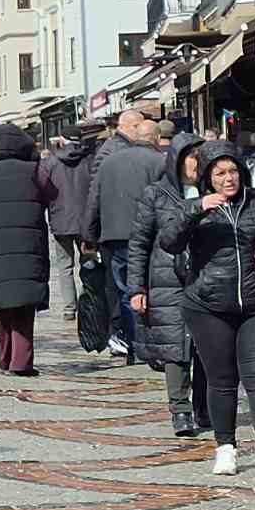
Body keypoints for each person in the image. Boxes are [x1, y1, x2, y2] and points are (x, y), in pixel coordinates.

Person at [159, 141, 255, 479]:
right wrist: (197, 210)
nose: (228, 178)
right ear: (207, 177)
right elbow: (169, 241)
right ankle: (225, 448)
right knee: (221, 381)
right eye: (220, 173)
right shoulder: (192, 206)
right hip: (208, 306)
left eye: (233, 170)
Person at [127, 134, 209, 437]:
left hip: (204, 278)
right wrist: (137, 288)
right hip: (166, 279)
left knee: (205, 346)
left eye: (201, 159)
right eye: (191, 158)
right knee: (175, 348)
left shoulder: (209, 191)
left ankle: (204, 407)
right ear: (176, 159)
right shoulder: (156, 195)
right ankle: (180, 410)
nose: (196, 165)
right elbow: (139, 243)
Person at [0, 125, 58, 376]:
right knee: (24, 303)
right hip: (28, 244)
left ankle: (5, 358)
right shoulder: (34, 171)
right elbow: (53, 196)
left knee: (2, 302)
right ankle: (21, 362)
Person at [84, 119, 166, 362]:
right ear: (155, 138)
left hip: (114, 237)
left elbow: (93, 198)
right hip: (149, 235)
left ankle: (132, 342)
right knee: (151, 288)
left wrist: (88, 234)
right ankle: (149, 344)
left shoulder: (109, 161)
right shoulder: (160, 162)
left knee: (125, 291)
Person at [85, 111, 145, 343]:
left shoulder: (117, 148)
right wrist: (89, 232)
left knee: (125, 284)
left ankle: (128, 336)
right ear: (132, 126)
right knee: (121, 286)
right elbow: (95, 192)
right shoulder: (112, 151)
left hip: (116, 228)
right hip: (116, 230)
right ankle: (122, 334)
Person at [40, 126, 92, 321]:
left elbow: (44, 191)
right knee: (89, 263)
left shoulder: (50, 163)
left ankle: (70, 308)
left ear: (62, 140)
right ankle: (91, 300)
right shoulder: (89, 160)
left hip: (60, 219)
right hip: (86, 222)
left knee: (65, 265)